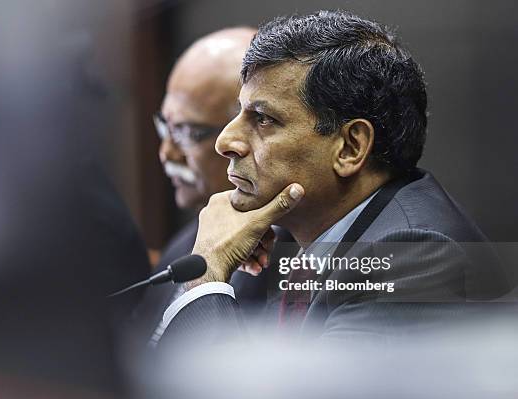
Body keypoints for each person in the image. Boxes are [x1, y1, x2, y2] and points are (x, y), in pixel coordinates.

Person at [158, 11, 512, 347]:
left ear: (350, 147)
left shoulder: (413, 254)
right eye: (239, 114)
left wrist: (206, 276)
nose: (225, 142)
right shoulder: (291, 236)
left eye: (263, 119)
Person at [131, 27, 284, 348]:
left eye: (187, 132)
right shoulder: (187, 241)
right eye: (165, 126)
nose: (167, 152)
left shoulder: (296, 264)